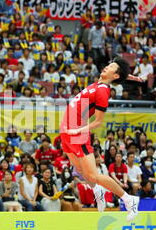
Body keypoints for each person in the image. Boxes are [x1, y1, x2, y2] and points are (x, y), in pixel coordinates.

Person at [59, 57, 141, 220]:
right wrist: (128, 76)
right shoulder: (98, 83)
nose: (106, 67)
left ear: (115, 76)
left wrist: (79, 130)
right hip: (66, 132)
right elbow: (116, 74)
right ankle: (98, 190)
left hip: (77, 132)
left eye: (111, 67)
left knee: (93, 175)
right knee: (80, 170)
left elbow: (98, 122)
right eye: (108, 64)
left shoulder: (103, 90)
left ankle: (129, 200)